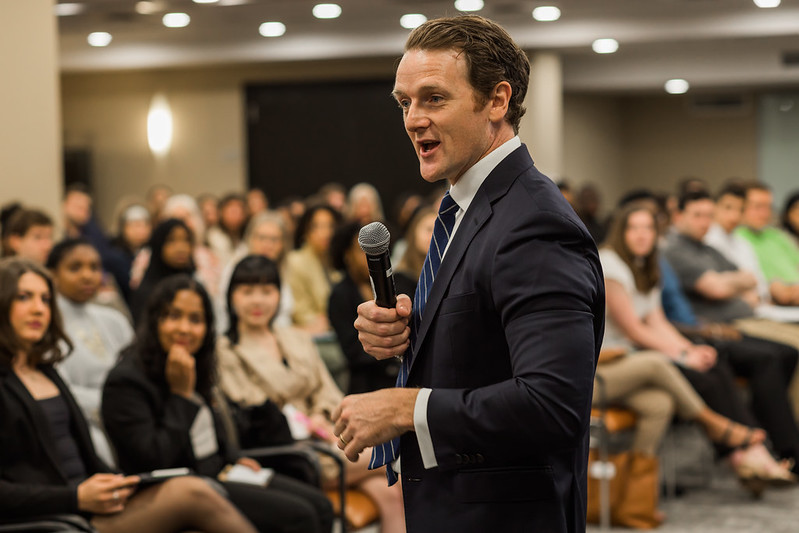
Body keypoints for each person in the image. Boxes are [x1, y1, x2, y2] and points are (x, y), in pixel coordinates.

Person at [335, 16, 605, 532]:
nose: (413, 119)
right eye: (404, 102)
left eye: (433, 98)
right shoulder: (468, 205)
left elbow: (553, 405)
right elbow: (483, 342)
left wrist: (407, 408)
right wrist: (409, 337)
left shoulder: (535, 223)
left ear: (497, 101)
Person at [0, 257, 258, 533]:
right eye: (24, 298)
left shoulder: (46, 371)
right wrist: (74, 497)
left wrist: (119, 483)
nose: (38, 309)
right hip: (53, 520)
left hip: (86, 507)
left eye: (45, 299)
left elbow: (86, 458)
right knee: (192, 492)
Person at [102, 274, 335, 533]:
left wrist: (232, 457)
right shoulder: (126, 381)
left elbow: (209, 429)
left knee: (321, 505)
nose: (184, 328)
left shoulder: (196, 362)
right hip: (178, 487)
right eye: (173, 316)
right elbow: (154, 459)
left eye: (195, 320)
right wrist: (181, 395)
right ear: (155, 320)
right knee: (299, 516)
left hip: (220, 471)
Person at [602, 202, 797, 483]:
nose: (642, 235)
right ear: (621, 232)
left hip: (645, 350)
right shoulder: (611, 265)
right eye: (634, 228)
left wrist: (690, 349)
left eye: (648, 228)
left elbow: (657, 321)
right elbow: (634, 329)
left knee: (713, 364)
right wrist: (682, 355)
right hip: (620, 356)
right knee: (702, 376)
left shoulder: (645, 262)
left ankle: (747, 452)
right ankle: (747, 448)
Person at [218, 254, 406, 532]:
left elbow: (327, 389)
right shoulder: (225, 350)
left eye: (267, 291)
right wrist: (306, 424)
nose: (257, 301)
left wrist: (320, 415)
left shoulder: (295, 337)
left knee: (389, 492)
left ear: (279, 295)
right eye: (247, 292)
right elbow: (256, 411)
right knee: (398, 457)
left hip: (329, 433)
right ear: (232, 297)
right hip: (289, 450)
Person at [46, 238, 134, 467]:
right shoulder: (46, 327)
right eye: (75, 267)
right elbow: (59, 390)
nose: (87, 276)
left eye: (94, 267)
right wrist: (116, 404)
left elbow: (137, 372)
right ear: (53, 275)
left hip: (128, 416)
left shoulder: (114, 320)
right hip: (82, 423)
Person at [328, 222, 400, 394]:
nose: (368, 255)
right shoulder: (340, 294)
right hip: (367, 382)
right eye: (361, 250)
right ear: (347, 255)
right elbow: (353, 352)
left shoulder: (397, 282)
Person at [285, 204, 342, 334]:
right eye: (317, 226)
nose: (326, 233)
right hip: (313, 334)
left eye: (330, 226)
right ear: (306, 230)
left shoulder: (335, 260)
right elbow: (300, 311)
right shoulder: (295, 261)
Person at [130, 219, 195, 325]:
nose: (181, 248)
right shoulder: (147, 292)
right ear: (159, 245)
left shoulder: (194, 285)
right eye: (171, 240)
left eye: (186, 240)